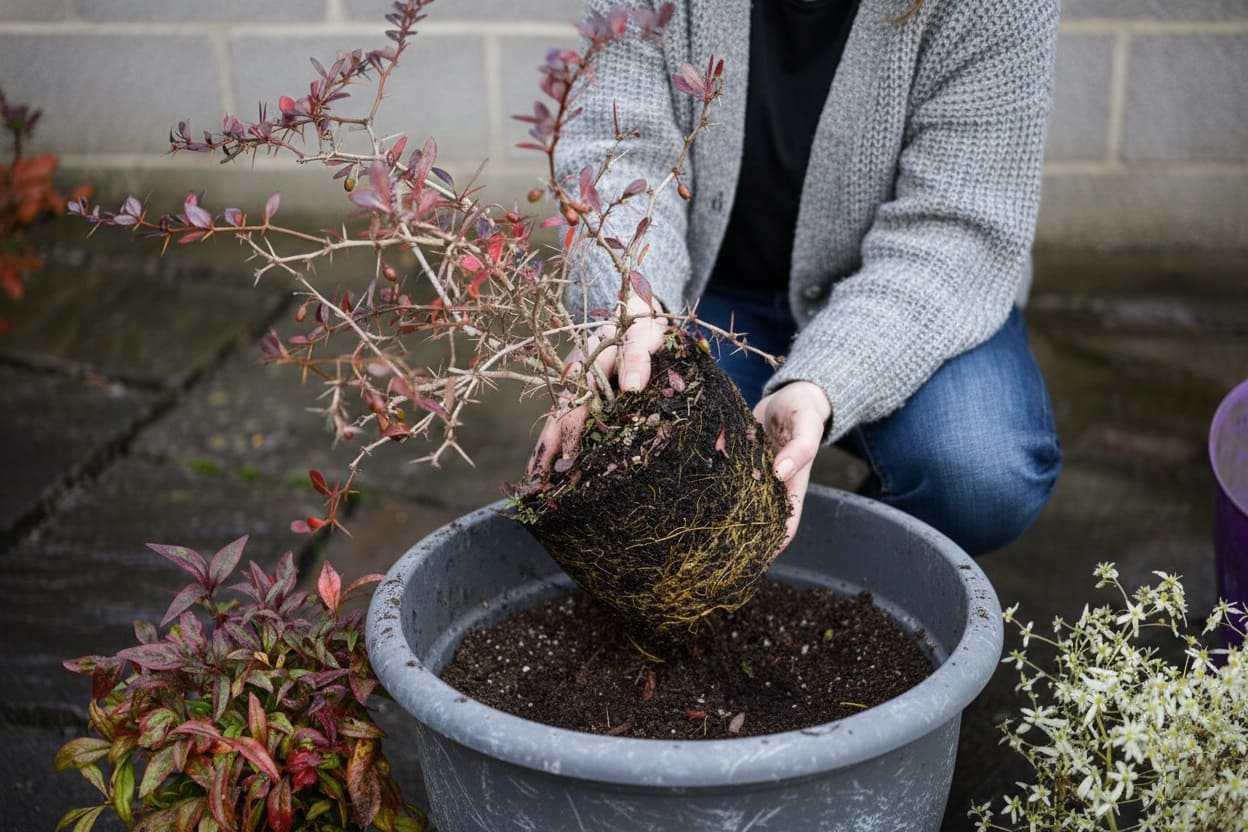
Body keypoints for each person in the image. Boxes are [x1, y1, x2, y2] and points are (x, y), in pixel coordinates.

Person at [534, 0, 1062, 557]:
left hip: (911, 296)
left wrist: (821, 381)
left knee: (980, 478)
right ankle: (740, 578)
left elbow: (955, 227)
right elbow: (618, 151)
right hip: (703, 295)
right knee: (650, 472)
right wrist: (634, 305)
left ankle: (845, 575)